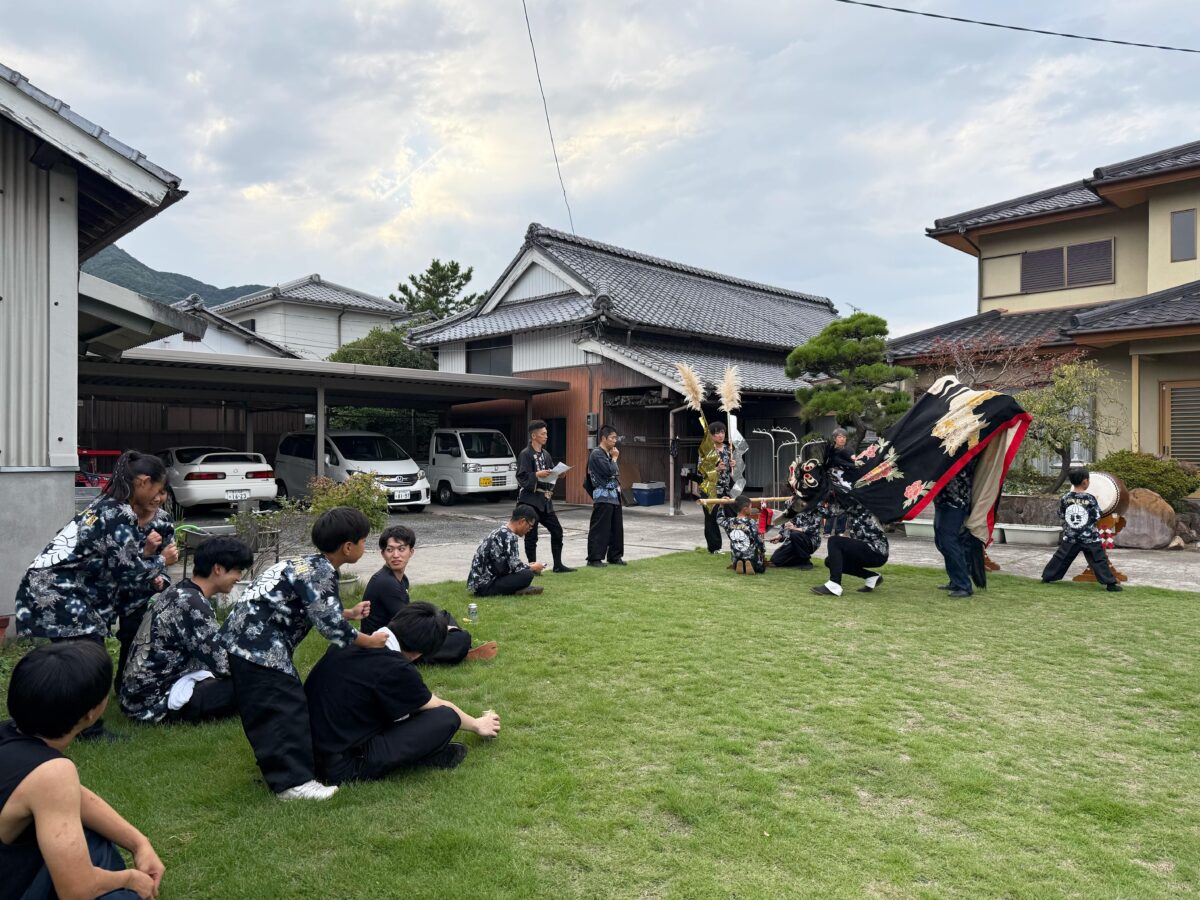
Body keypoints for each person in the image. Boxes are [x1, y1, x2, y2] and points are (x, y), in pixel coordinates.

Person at [221, 507, 390, 801]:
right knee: (285, 708)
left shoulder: (304, 564)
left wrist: (347, 612)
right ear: (348, 547)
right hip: (260, 648)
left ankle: (281, 770)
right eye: (364, 541)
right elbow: (333, 629)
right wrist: (371, 642)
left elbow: (312, 608)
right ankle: (293, 784)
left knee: (267, 709)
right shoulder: (322, 573)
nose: (366, 546)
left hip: (241, 642)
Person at [14, 449, 179, 740]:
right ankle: (88, 730)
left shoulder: (111, 507)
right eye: (157, 487)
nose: (159, 495)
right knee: (87, 658)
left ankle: (54, 716)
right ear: (143, 481)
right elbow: (128, 569)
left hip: (66, 589)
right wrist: (162, 560)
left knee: (81, 656)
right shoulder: (115, 514)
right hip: (57, 589)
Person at [1, 642, 165, 899]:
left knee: (87, 838)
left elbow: (76, 799)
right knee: (117, 890)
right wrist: (132, 879)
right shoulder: (52, 773)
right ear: (91, 714)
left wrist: (139, 843)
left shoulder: (10, 735)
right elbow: (77, 891)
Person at [306, 603, 502, 786]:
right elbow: (437, 706)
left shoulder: (353, 640)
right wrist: (477, 724)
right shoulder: (394, 668)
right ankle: (425, 757)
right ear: (419, 653)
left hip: (309, 748)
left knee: (412, 708)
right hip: (343, 764)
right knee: (446, 718)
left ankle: (428, 754)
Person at [119, 536, 254, 725]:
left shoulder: (180, 591)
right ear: (218, 569)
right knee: (250, 682)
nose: (239, 577)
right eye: (238, 570)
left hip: (137, 698)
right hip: (153, 705)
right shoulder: (192, 603)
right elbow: (224, 665)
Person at [362, 525, 498, 663]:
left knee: (443, 616)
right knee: (461, 638)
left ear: (411, 551)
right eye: (390, 550)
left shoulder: (401, 579)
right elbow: (407, 626)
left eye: (401, 549)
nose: (395, 555)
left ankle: (459, 650)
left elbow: (409, 614)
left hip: (401, 634)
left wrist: (441, 626)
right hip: (389, 646)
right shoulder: (385, 582)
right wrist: (443, 630)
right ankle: (459, 651)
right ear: (383, 554)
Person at [1041, 467, 1122, 592]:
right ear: (1085, 482)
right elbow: (1097, 516)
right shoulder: (1090, 499)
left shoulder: (1066, 497)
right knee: (1098, 559)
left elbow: (1062, 514)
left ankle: (1047, 577)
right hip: (1089, 537)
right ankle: (1110, 584)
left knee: (1061, 557)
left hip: (1071, 535)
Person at [516, 420, 575, 573]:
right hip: (530, 501)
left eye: (546, 433)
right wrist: (536, 474)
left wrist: (558, 474)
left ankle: (558, 564)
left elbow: (550, 473)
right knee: (531, 535)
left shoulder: (546, 454)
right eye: (543, 434)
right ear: (533, 436)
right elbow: (521, 477)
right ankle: (533, 567)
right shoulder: (525, 454)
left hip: (545, 501)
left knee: (557, 530)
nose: (546, 436)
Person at [810, 500, 889, 596]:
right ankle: (871, 577)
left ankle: (834, 585)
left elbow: (828, 513)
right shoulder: (853, 500)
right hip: (866, 550)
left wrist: (812, 500)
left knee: (834, 541)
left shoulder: (853, 500)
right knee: (830, 561)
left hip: (876, 551)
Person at [468, 506, 545, 596]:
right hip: (485, 586)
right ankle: (516, 590)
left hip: (478, 583)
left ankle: (518, 589)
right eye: (530, 526)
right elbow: (515, 567)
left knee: (525, 572)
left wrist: (528, 566)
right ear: (522, 521)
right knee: (527, 575)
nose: (529, 530)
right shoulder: (509, 536)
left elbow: (508, 565)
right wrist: (533, 567)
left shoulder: (500, 531)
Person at [934, 457, 977, 598]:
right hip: (943, 499)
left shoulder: (964, 452)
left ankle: (963, 585)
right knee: (941, 541)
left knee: (949, 541)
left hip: (956, 502)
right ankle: (955, 581)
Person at [586, 425, 625, 568]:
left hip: (614, 496)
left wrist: (613, 458)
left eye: (616, 437)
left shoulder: (608, 453)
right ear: (603, 438)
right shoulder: (597, 453)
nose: (615, 440)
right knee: (600, 528)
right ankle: (594, 558)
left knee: (616, 528)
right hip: (603, 496)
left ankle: (615, 556)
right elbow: (610, 471)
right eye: (612, 438)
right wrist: (614, 459)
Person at [699, 421, 734, 553]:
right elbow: (701, 471)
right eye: (717, 433)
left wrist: (733, 464)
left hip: (726, 489)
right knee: (711, 518)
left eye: (723, 432)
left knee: (732, 515)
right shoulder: (706, 450)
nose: (720, 435)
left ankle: (738, 542)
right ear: (711, 436)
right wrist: (716, 469)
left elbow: (734, 472)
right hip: (710, 489)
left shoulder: (728, 448)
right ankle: (714, 548)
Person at [715, 495, 766, 575]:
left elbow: (719, 519)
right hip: (750, 555)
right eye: (750, 507)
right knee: (761, 568)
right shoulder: (750, 522)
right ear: (745, 509)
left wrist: (721, 505)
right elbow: (758, 539)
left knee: (738, 559)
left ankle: (738, 563)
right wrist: (763, 550)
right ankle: (749, 563)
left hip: (736, 554)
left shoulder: (730, 521)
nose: (751, 509)